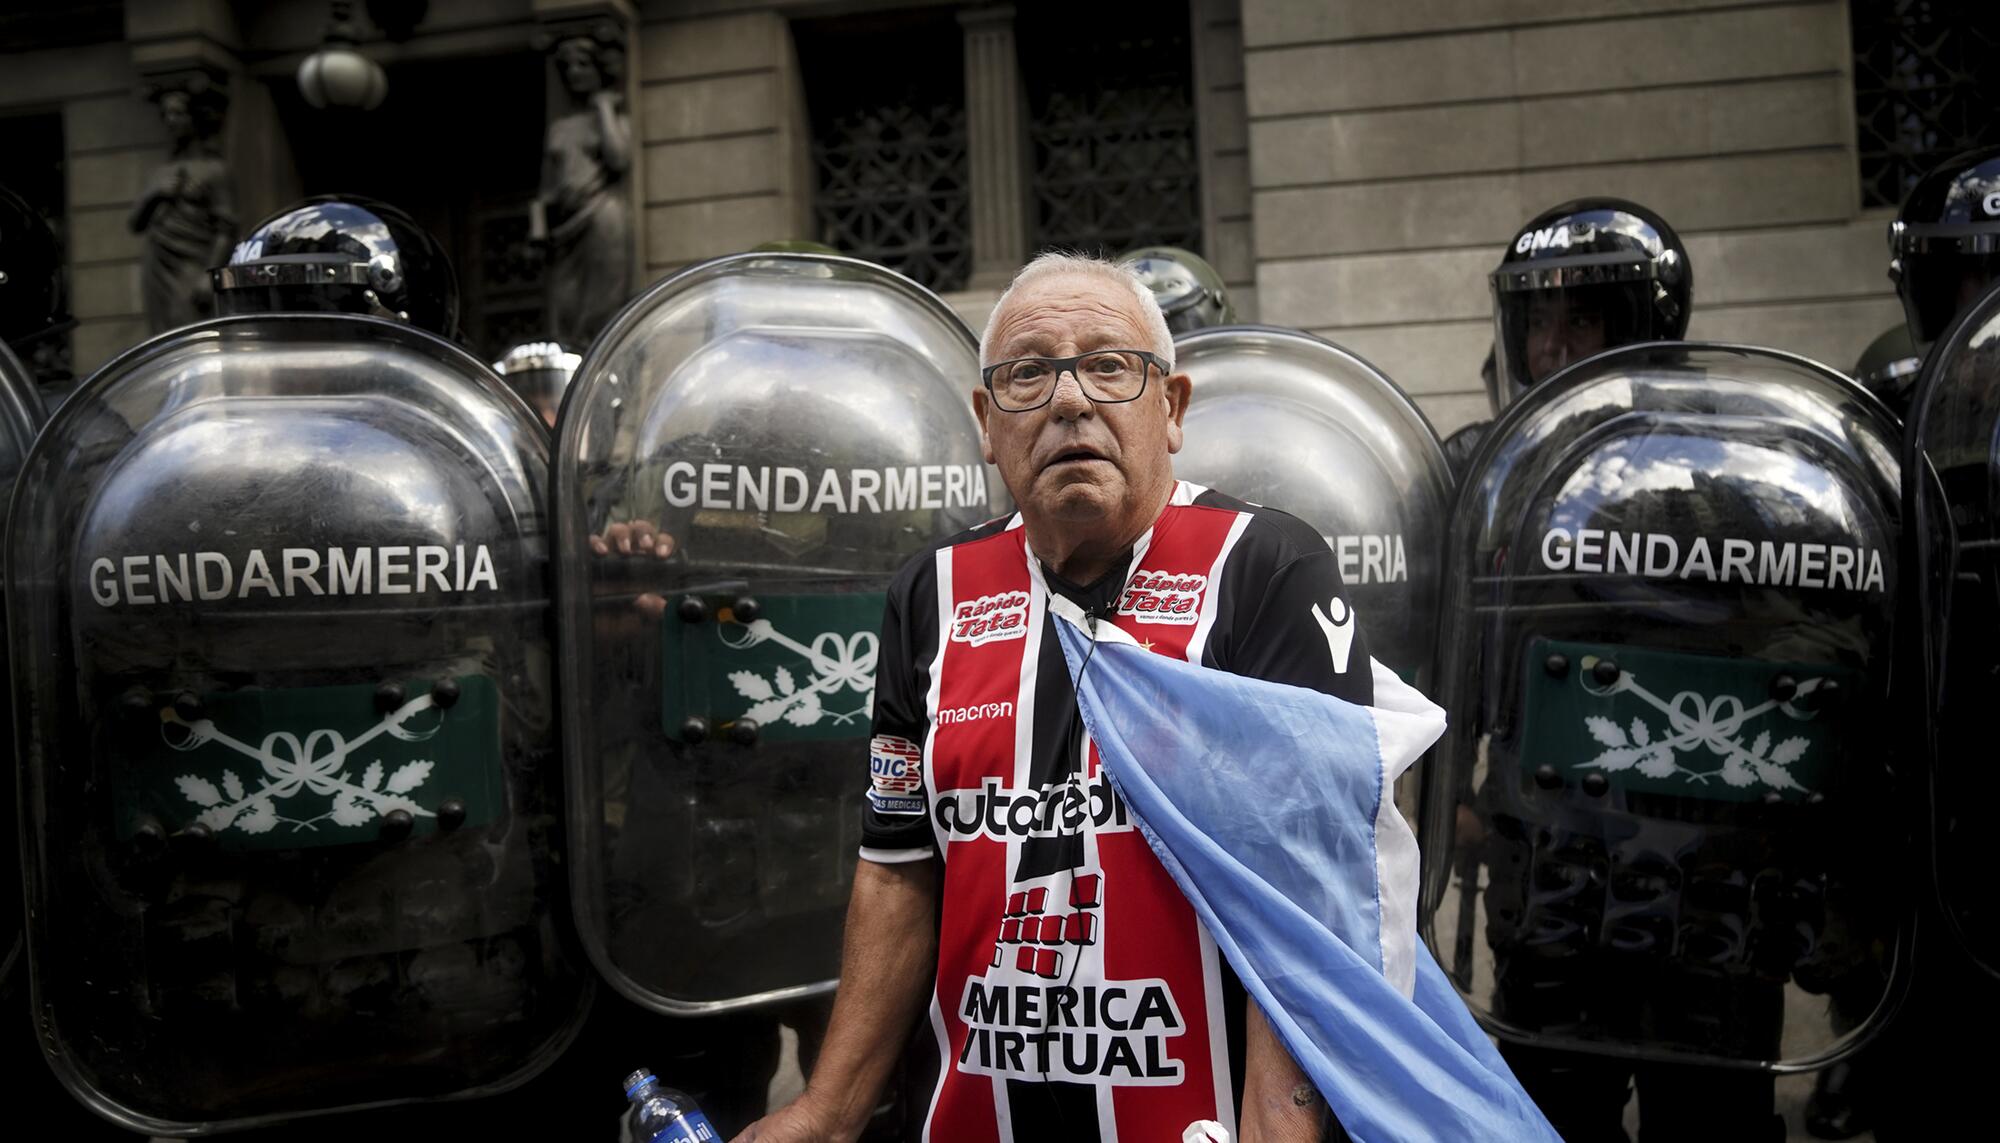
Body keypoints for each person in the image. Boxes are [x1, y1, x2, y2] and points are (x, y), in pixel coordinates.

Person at [737, 253, 1373, 1143]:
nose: (1071, 400)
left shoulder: (1263, 569)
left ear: (1174, 408)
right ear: (986, 423)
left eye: (1110, 365)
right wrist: (827, 1110)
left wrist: (1278, 1126)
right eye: (1029, 373)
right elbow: (897, 868)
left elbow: (1313, 888)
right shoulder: (931, 593)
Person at [1442, 198, 1691, 482]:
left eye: (1579, 322)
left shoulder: (1692, 454)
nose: (1551, 345)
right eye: (1538, 322)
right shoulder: (1476, 464)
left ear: (1632, 336)